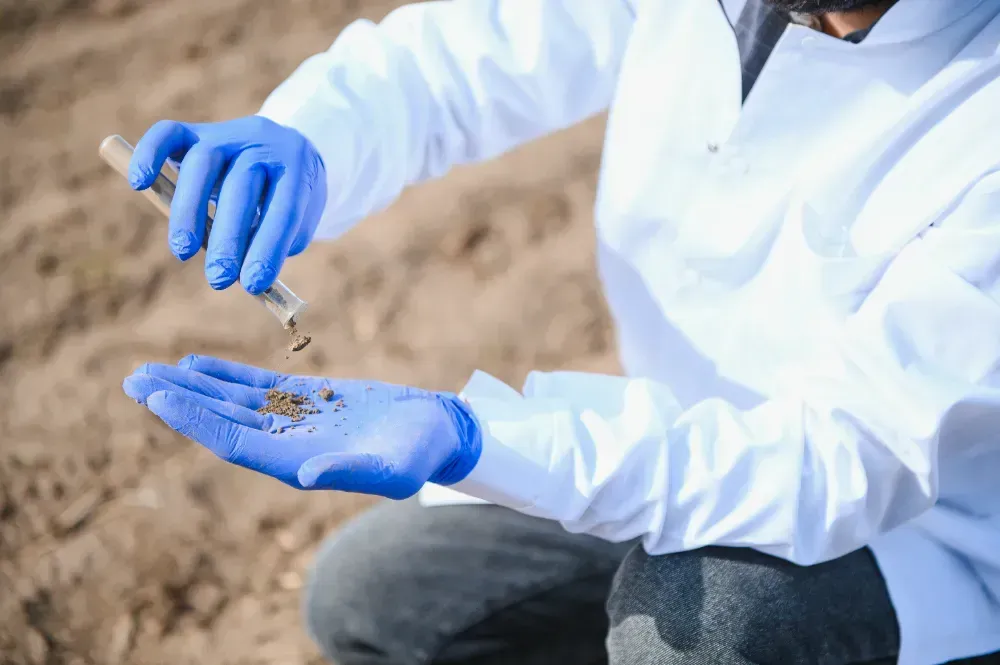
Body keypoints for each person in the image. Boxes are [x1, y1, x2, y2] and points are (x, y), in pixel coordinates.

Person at [119, 0, 1000, 663]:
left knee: (697, 630)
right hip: (667, 448)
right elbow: (471, 52)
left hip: (914, 531)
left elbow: (840, 459)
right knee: (378, 596)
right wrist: (311, 138)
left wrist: (479, 440)